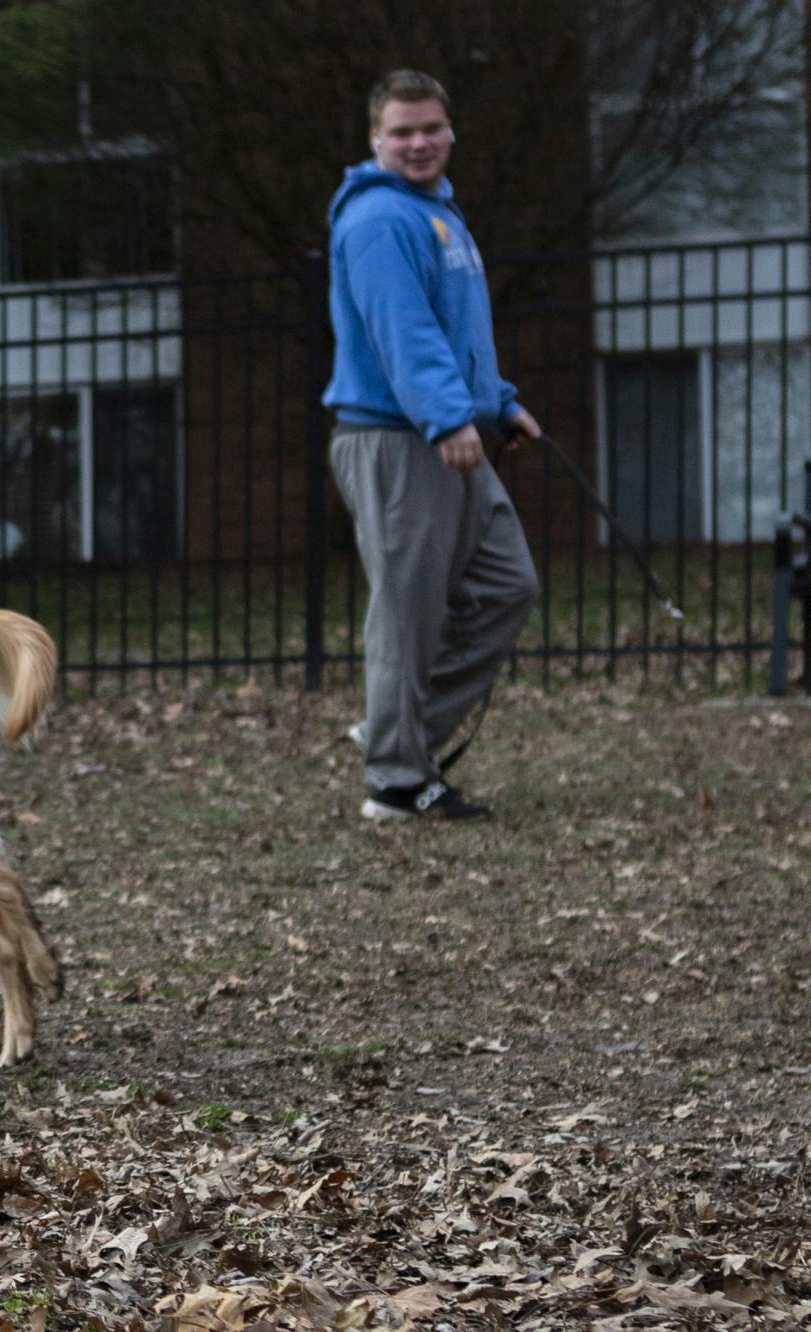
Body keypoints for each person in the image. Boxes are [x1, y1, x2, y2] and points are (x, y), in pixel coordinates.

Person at [322, 69, 540, 821]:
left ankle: (397, 729)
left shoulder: (437, 213)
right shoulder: (380, 220)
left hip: (449, 431)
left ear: (450, 132)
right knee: (408, 609)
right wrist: (449, 419)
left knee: (508, 583)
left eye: (430, 129)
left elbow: (456, 334)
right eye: (402, 131)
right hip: (398, 439)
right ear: (375, 139)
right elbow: (403, 337)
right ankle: (395, 779)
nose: (418, 143)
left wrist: (497, 404)